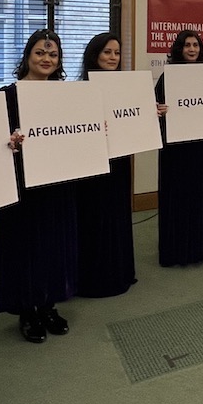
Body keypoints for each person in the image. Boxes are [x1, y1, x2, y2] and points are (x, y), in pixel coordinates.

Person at [0, 29, 78, 344]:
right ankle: (27, 311)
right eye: (40, 53)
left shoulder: (67, 94)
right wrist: (9, 140)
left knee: (56, 243)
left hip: (57, 182)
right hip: (22, 186)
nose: (46, 59)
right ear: (28, 56)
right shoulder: (8, 94)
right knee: (25, 246)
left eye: (53, 54)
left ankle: (49, 304)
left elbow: (78, 131)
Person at [74, 32, 136, 297]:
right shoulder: (79, 89)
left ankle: (120, 270)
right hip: (93, 163)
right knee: (94, 217)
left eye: (117, 53)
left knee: (118, 214)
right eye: (107, 52)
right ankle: (94, 278)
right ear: (94, 54)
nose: (113, 58)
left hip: (119, 159)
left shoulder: (125, 85)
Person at [154, 30, 203, 264]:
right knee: (180, 196)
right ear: (179, 49)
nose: (192, 49)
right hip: (177, 149)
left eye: (196, 45)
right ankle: (177, 247)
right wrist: (159, 109)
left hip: (202, 146)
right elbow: (156, 107)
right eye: (187, 45)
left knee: (201, 193)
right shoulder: (167, 77)